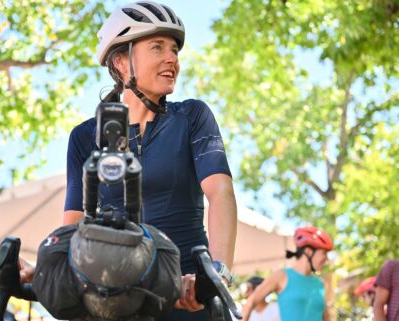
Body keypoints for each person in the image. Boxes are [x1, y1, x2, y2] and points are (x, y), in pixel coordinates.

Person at [60, 2, 238, 320]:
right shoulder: (85, 137)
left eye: (174, 50)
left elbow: (220, 192)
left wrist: (216, 274)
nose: (172, 58)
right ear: (121, 62)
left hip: (189, 294)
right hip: (118, 297)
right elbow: (73, 226)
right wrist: (47, 270)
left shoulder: (193, 117)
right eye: (157, 47)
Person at [242, 226, 333, 321]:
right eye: (324, 253)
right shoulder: (282, 276)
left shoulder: (320, 283)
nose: (326, 259)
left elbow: (326, 317)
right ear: (308, 251)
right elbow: (250, 303)